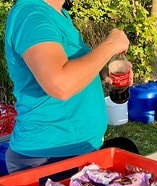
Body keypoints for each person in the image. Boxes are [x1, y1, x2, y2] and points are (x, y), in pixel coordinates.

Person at [4, 0, 133, 174]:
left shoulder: (59, 14)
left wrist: (103, 72)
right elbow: (60, 84)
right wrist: (110, 45)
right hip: (47, 158)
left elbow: (70, 66)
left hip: (77, 150)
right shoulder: (32, 15)